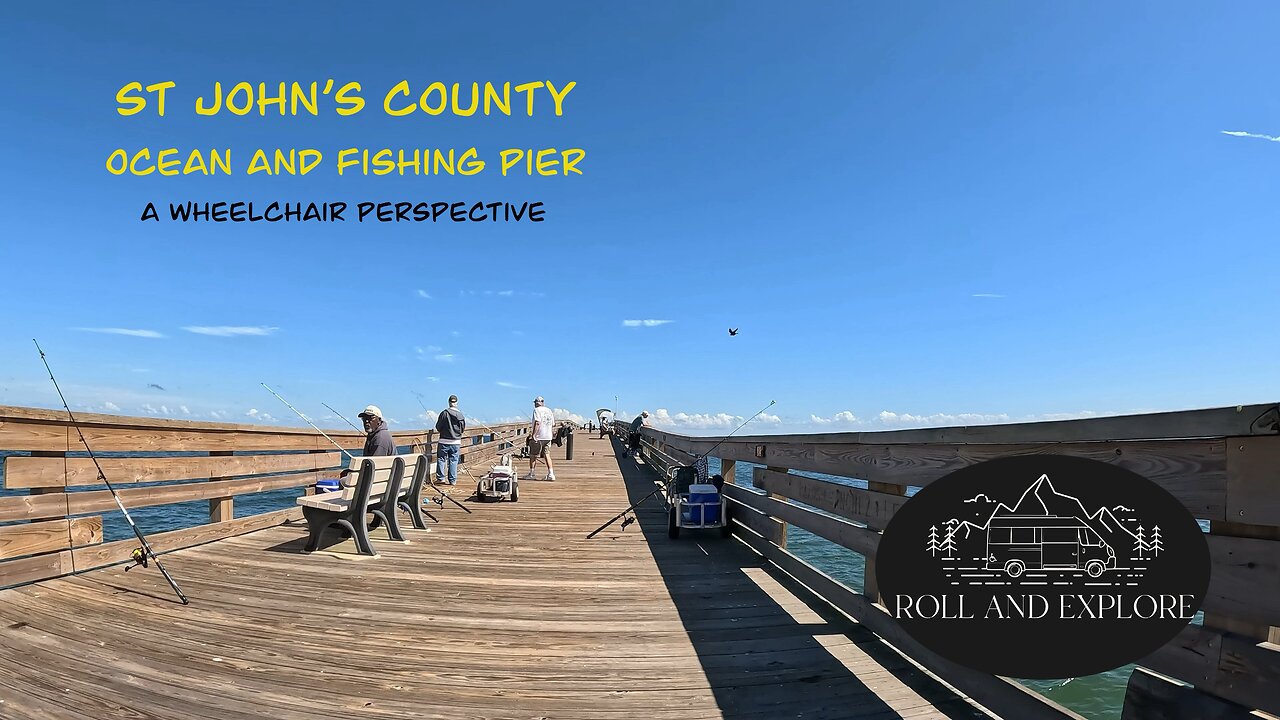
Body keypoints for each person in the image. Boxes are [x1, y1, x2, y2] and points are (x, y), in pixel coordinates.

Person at [338, 405, 395, 484]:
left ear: (379, 420)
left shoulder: (380, 438)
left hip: (380, 482)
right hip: (383, 479)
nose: (366, 421)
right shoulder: (375, 435)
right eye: (364, 419)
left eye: (371, 418)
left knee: (343, 481)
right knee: (346, 476)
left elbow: (373, 467)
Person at [434, 394, 465, 485]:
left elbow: (438, 426)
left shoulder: (444, 413)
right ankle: (452, 480)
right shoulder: (460, 415)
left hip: (443, 441)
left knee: (441, 459)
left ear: (449, 402)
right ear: (457, 403)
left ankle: (441, 478)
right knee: (453, 460)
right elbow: (462, 428)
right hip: (456, 442)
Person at [523, 396, 556, 481]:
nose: (535, 404)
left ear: (538, 403)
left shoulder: (536, 410)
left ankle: (532, 474)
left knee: (533, 455)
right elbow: (553, 424)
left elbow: (537, 423)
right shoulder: (549, 411)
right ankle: (551, 474)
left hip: (539, 436)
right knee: (547, 454)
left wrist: (533, 435)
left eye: (535, 402)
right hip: (548, 436)